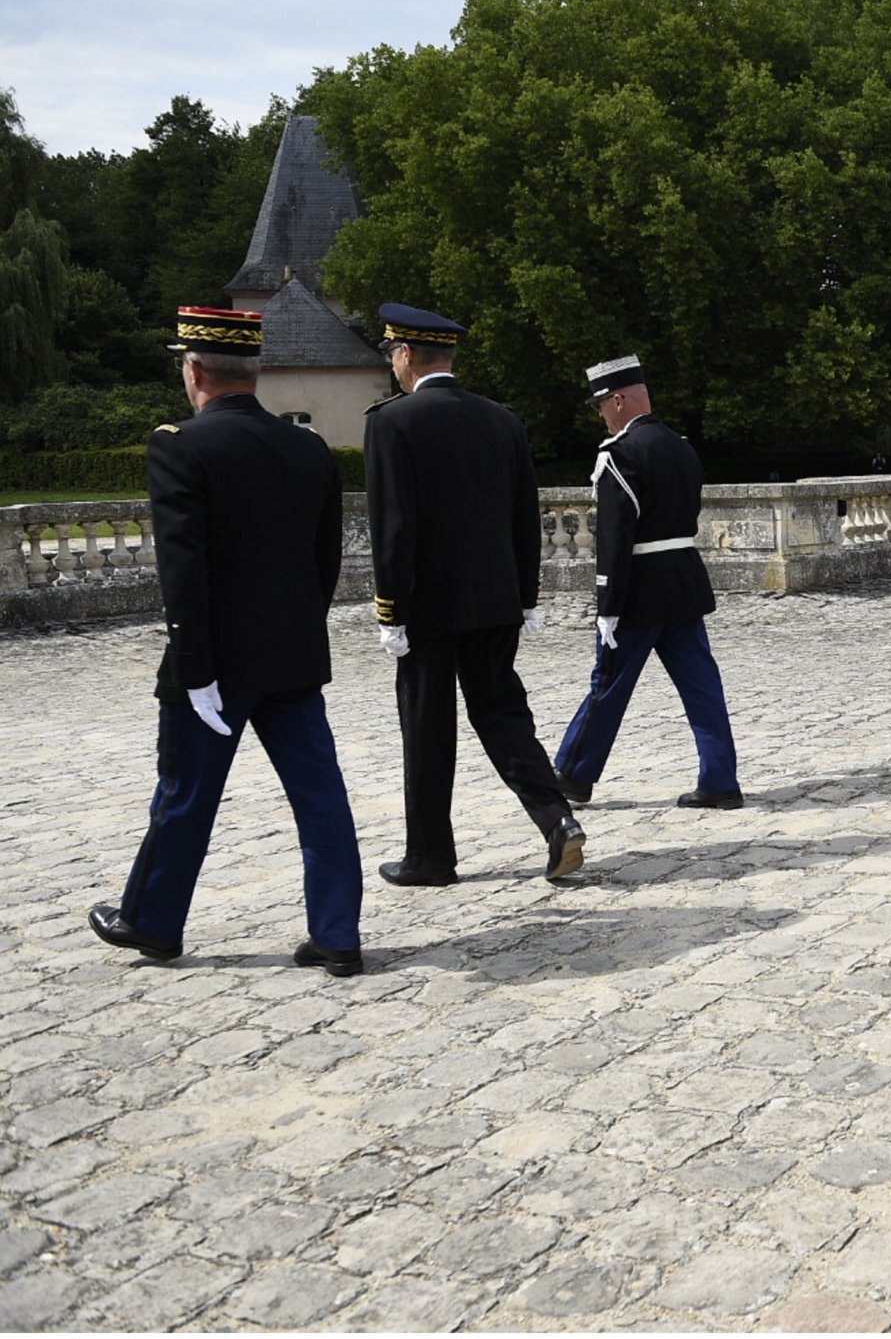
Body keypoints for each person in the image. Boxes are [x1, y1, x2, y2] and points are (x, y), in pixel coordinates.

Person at [89, 307, 365, 976]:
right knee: (320, 795)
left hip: (214, 661)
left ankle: (152, 920)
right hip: (293, 655)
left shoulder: (179, 445)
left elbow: (183, 570)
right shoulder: (309, 449)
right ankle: (338, 933)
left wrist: (192, 663)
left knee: (185, 794)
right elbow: (324, 561)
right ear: (257, 371)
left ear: (194, 371)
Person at [364, 302, 585, 885]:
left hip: (428, 607)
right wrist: (527, 597)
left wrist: (391, 610)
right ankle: (557, 819)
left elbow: (392, 527)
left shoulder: (392, 422)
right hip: (496, 600)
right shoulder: (502, 419)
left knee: (427, 727)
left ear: (406, 355)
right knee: (504, 714)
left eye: (392, 355)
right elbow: (523, 516)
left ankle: (431, 856)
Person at [553, 354, 744, 809]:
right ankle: (720, 780)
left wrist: (607, 605)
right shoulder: (681, 447)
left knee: (609, 683)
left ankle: (574, 775)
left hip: (639, 588)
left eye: (601, 405)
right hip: (683, 581)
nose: (601, 414)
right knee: (702, 685)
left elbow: (615, 538)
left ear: (618, 399)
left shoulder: (618, 454)